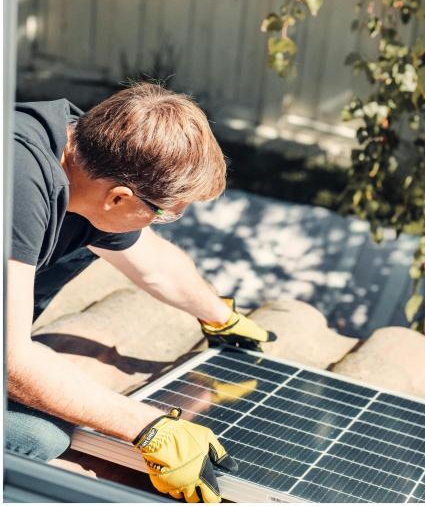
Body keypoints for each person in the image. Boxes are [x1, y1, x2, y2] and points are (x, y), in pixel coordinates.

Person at [6, 83, 275, 503]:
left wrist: (219, 316)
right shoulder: (16, 186)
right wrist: (148, 427)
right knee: (38, 435)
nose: (162, 222)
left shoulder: (83, 149)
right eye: (165, 214)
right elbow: (11, 360)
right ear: (118, 197)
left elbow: (152, 263)